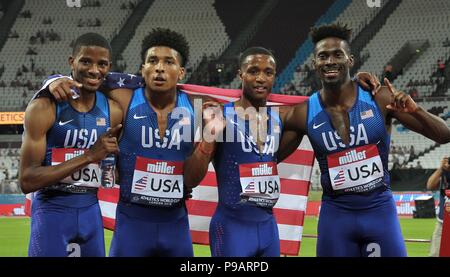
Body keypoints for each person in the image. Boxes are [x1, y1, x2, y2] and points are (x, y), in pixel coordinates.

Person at [183, 47, 380, 257]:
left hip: (268, 230)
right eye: (253, 71)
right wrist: (208, 139)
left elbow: (328, 104)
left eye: (268, 72)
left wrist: (352, 81)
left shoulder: (283, 117)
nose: (260, 78)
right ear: (241, 74)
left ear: (275, 76)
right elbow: (190, 178)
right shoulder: (220, 115)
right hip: (232, 230)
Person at [278, 23, 450, 257]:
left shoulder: (379, 98)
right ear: (314, 64)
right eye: (323, 56)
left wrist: (416, 109)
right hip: (335, 217)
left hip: (380, 212)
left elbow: (443, 135)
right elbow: (267, 153)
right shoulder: (304, 113)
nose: (330, 61)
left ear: (350, 60)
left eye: (337, 54)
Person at [19, 33, 123, 257]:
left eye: (102, 64)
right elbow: (27, 180)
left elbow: (112, 169)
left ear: (109, 67)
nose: (94, 70)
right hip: (51, 210)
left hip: (91, 212)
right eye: (86, 61)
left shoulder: (113, 111)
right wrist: (88, 156)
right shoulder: (44, 108)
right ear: (71, 62)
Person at [426, 156, 450, 257]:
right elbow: (430, 185)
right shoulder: (445, 173)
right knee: (435, 254)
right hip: (442, 223)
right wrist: (441, 169)